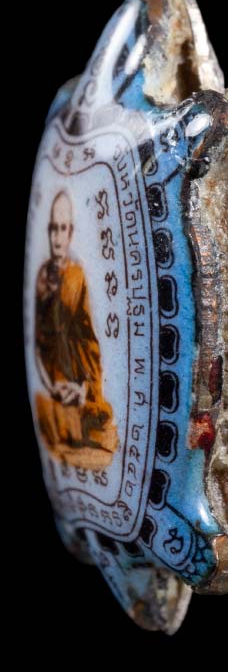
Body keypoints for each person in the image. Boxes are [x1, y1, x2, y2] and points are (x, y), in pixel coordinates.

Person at [34, 190, 118, 466]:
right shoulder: (43, 277)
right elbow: (39, 340)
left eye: (63, 229)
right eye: (53, 229)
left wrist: (83, 387)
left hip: (77, 374)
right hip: (52, 375)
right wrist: (52, 385)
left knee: (93, 424)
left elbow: (88, 338)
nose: (57, 237)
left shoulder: (77, 275)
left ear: (70, 233)